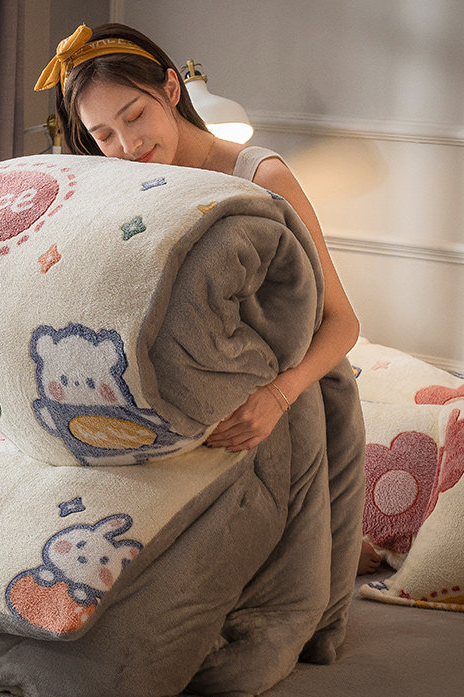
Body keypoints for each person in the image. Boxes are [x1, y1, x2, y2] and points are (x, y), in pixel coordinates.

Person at [34, 23, 361, 452]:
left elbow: (344, 323)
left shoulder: (260, 177)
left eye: (135, 115)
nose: (129, 144)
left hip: (287, 406)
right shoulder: (128, 184)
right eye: (105, 135)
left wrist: (277, 397)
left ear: (171, 88)